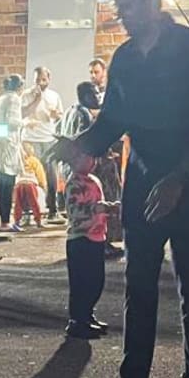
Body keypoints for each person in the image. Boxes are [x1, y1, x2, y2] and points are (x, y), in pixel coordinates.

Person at [53, 0, 189, 378]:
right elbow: (113, 120)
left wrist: (179, 178)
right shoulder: (127, 58)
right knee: (139, 287)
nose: (122, 15)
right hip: (142, 187)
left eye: (128, 4)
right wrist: (81, 146)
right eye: (118, 7)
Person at [62, 82, 124, 257]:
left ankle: (103, 242)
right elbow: (88, 144)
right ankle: (103, 244)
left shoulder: (74, 112)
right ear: (84, 96)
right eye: (94, 94)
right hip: (83, 236)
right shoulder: (83, 115)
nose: (98, 97)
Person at [64, 151, 118, 340]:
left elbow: (98, 205)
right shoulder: (74, 184)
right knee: (81, 283)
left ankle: (87, 315)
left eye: (92, 158)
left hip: (97, 237)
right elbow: (75, 211)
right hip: (80, 238)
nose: (91, 161)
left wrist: (108, 210)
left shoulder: (94, 180)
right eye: (85, 157)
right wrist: (101, 208)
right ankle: (77, 321)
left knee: (96, 281)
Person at [22, 67, 66, 223]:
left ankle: (53, 210)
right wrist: (37, 100)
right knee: (29, 177)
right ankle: (27, 213)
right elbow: (22, 114)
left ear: (49, 79)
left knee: (51, 175)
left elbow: (59, 115)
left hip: (48, 139)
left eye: (43, 80)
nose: (40, 83)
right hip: (31, 139)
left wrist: (56, 115)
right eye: (37, 80)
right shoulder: (27, 95)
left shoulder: (54, 96)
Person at [0, 75, 26, 232]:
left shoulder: (0, 99)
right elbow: (12, 122)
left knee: (2, 186)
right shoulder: (14, 98)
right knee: (7, 186)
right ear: (19, 87)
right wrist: (26, 123)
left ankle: (4, 221)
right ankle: (5, 222)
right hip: (6, 145)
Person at [14, 143, 47, 229]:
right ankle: (38, 221)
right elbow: (40, 174)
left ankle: (17, 221)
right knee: (34, 203)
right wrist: (43, 184)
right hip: (30, 183)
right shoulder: (34, 160)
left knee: (18, 203)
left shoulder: (17, 160)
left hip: (19, 184)